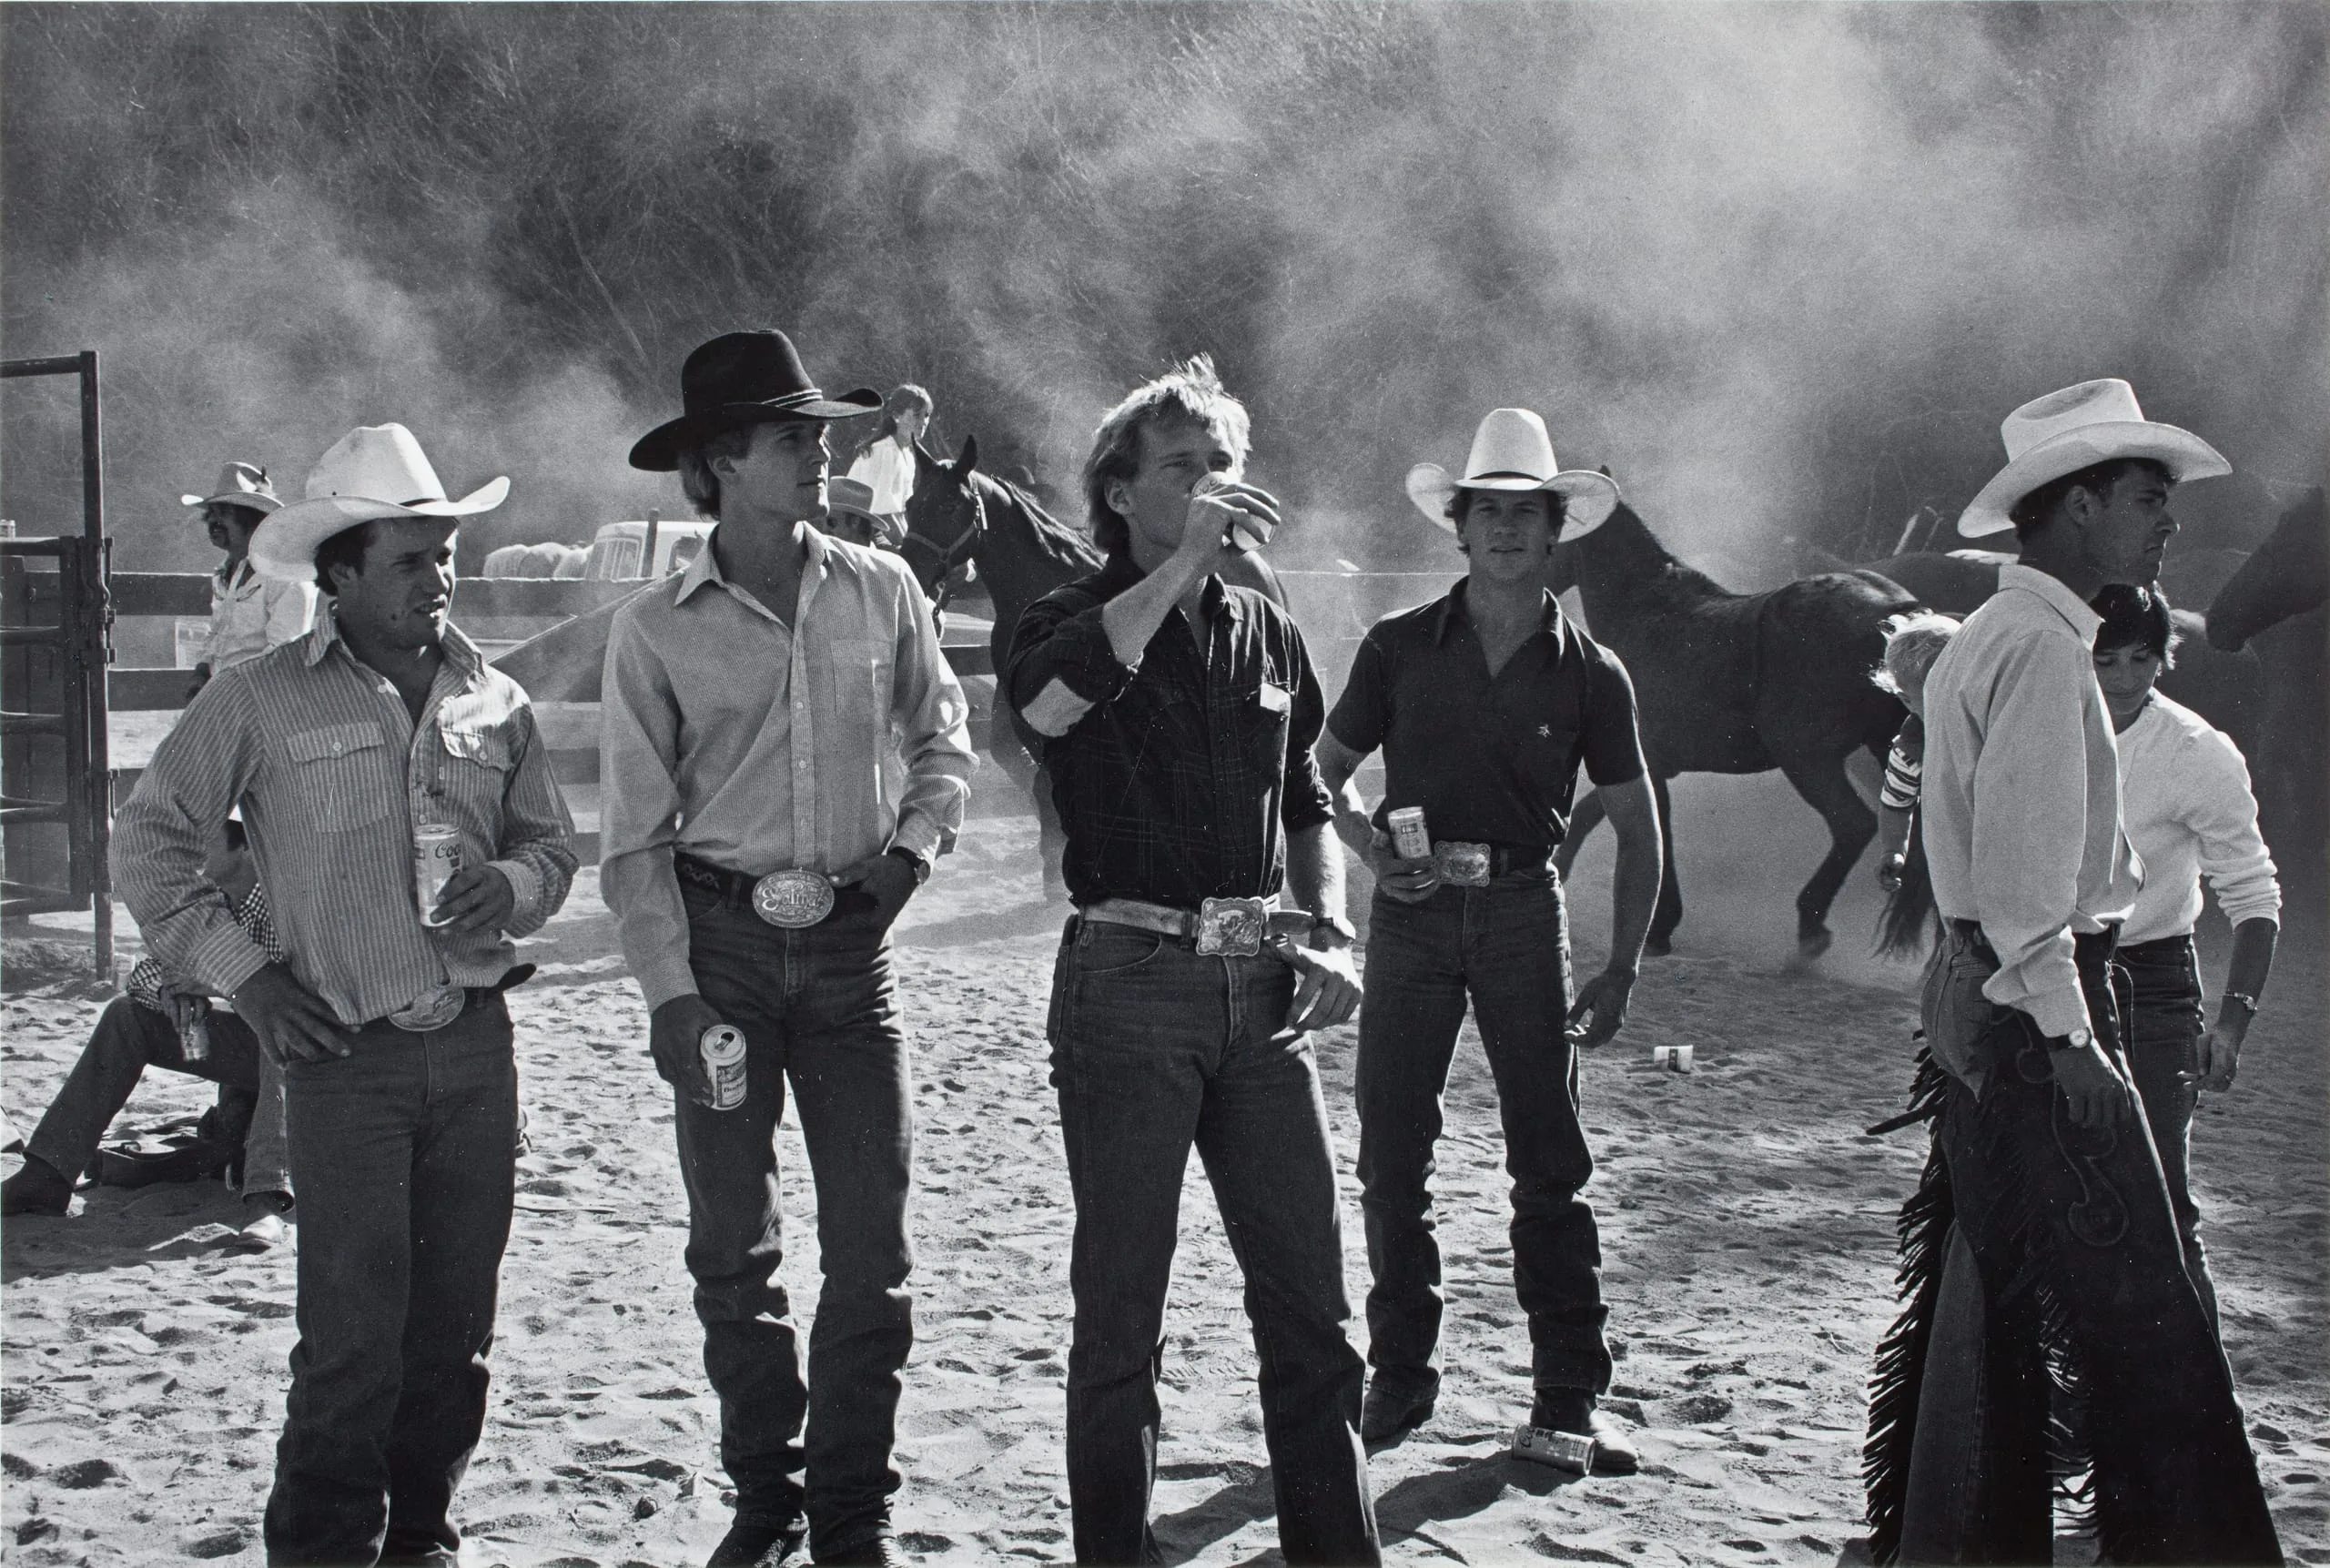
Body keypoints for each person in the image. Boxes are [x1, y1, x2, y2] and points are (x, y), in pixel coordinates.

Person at [113, 421, 576, 1566]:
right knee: (352, 1344)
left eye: (446, 553)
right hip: (341, 1061)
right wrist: (251, 980)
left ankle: (420, 1542)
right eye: (410, 559)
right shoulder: (259, 698)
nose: (440, 577)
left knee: (455, 1338)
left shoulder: (496, 700)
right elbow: (150, 845)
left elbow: (553, 848)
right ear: (340, 574)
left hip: (476, 1051)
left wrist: (514, 884)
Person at [1862, 379, 2280, 1565]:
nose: (2170, 521)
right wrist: (2073, 1038)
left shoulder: (1991, 637)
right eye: (2149, 496)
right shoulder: (2045, 651)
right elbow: (2026, 881)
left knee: (1992, 1280)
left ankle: (1959, 1539)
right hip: (2040, 997)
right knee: (2140, 1303)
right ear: (2080, 503)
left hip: (1984, 986)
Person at [605, 329, 974, 1568]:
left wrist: (910, 858)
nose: (822, 452)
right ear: (721, 459)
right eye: (791, 435)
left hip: (855, 962)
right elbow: (633, 838)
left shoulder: (883, 587)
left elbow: (945, 739)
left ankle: (853, 1513)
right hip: (720, 960)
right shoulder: (652, 631)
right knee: (734, 1244)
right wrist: (668, 993)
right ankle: (769, 1496)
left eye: (820, 432)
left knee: (873, 1244)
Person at [1006, 356, 1379, 1567]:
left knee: (1315, 1309)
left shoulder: (1265, 623)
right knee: (1123, 1315)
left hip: (1260, 987)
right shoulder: (1063, 616)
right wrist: (1180, 569)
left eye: (1227, 464)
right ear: (1120, 494)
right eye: (1185, 468)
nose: (1219, 485)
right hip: (1128, 982)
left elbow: (1309, 798)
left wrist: (1332, 930)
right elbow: (1049, 709)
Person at [1313, 408, 1662, 1471]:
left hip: (1521, 912)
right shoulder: (1395, 645)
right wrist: (1371, 850)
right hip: (1411, 919)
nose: (1507, 529)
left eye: (1526, 513)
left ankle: (1567, 1394)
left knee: (1547, 1159)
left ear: (1555, 530)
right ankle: (1399, 1376)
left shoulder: (1593, 670)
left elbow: (1640, 824)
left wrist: (1622, 965)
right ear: (1458, 526)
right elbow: (1321, 772)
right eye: (1488, 512)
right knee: (1390, 1156)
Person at [2087, 582, 2279, 1333]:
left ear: (2164, 656)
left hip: (2152, 981)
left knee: (2161, 1202)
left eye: (2141, 658)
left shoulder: (2197, 752)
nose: (2125, 677)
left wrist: (2231, 1024)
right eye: (2106, 659)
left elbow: (2254, 894)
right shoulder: (2036, 727)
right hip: (2041, 969)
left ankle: (2186, 1391)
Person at [0, 820, 293, 1231]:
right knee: (126, 1016)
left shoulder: (287, 900)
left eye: (207, 839)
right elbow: (144, 974)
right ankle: (46, 1175)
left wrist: (218, 982)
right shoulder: (210, 900)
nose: (193, 850)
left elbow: (299, 994)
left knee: (278, 1030)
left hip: (307, 1052)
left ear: (246, 847)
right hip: (252, 1051)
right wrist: (170, 991)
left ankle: (267, 1196)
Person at [181, 460, 317, 693]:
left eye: (224, 514)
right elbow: (218, 633)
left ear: (253, 519)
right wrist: (203, 669)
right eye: (211, 514)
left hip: (265, 696)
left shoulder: (286, 576)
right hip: (224, 692)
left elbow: (284, 654)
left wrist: (231, 689)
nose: (213, 522)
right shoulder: (226, 574)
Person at [1868, 612, 1960, 893]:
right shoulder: (1911, 750)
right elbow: (1896, 805)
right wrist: (1894, 850)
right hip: (1959, 854)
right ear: (1907, 700)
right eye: (1938, 696)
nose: (1956, 700)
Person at [844, 384, 934, 551]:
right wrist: (909, 548)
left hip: (880, 529)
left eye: (926, 415)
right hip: (854, 530)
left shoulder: (908, 456)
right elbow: (881, 513)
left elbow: (900, 513)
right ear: (896, 416)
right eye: (916, 415)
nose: (923, 422)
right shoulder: (884, 450)